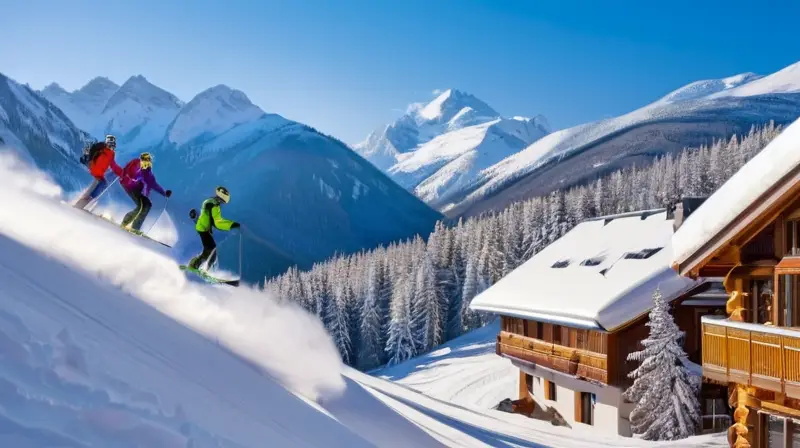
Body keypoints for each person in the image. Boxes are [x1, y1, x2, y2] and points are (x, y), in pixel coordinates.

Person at [188, 186, 240, 271]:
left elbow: (210, 219)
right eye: (222, 201)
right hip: (203, 230)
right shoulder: (214, 204)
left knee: (210, 250)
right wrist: (233, 225)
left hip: (203, 229)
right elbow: (218, 223)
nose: (222, 203)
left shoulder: (210, 201)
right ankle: (197, 267)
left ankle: (200, 267)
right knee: (210, 250)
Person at [119, 152, 172, 231]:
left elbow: (153, 184)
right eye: (144, 160)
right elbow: (131, 174)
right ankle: (127, 224)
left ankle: (134, 226)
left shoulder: (147, 172)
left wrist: (164, 193)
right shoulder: (136, 164)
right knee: (141, 206)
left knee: (147, 205)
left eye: (148, 160)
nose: (146, 162)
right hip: (130, 186)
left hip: (136, 189)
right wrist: (130, 176)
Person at [74, 135, 123, 210]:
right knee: (97, 183)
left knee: (103, 184)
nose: (111, 145)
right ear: (107, 142)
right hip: (94, 169)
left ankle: (89, 198)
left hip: (100, 174)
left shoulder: (112, 154)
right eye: (110, 143)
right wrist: (89, 160)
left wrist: (122, 172)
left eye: (112, 144)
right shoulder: (101, 147)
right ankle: (84, 199)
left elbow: (113, 166)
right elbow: (92, 150)